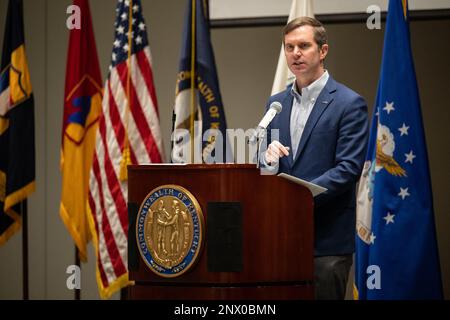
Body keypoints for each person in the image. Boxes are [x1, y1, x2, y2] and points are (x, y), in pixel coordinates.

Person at [262, 17, 369, 300]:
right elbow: (264, 166)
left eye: (303, 46)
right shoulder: (276, 103)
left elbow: (348, 168)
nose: (295, 53)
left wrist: (299, 197)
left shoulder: (349, 103)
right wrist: (268, 161)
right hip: (282, 240)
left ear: (322, 51)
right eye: (289, 47)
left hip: (327, 243)